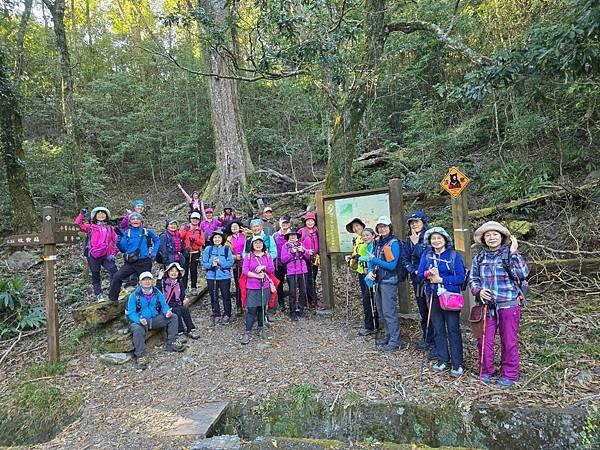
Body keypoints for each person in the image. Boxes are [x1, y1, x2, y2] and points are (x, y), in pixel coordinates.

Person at [470, 221, 529, 388]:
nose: (491, 237)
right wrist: (478, 291)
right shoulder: (479, 257)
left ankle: (509, 374)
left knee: (509, 340)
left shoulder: (510, 254)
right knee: (484, 340)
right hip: (487, 306)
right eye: (488, 235)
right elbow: (473, 278)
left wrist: (514, 252)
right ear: (483, 239)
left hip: (508, 303)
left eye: (495, 234)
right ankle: (486, 371)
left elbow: (523, 273)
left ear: (502, 237)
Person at [417, 226, 466, 377]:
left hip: (450, 296)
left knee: (453, 329)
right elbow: (419, 275)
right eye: (433, 238)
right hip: (433, 296)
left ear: (445, 239)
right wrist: (428, 274)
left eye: (439, 238)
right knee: (438, 328)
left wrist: (442, 279)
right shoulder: (427, 255)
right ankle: (442, 359)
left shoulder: (453, 255)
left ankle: (457, 363)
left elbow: (461, 277)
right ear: (429, 241)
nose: (436, 241)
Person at [127, 271, 185, 370]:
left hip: (155, 319)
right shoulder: (134, 295)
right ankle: (140, 356)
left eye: (149, 279)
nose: (147, 282)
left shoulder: (157, 292)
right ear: (140, 282)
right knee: (137, 329)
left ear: (152, 281)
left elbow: (164, 305)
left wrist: (167, 312)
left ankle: (171, 343)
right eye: (144, 280)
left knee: (173, 317)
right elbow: (131, 313)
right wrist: (138, 320)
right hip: (141, 321)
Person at [365, 216, 402, 352]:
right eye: (380, 226)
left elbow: (392, 265)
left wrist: (375, 260)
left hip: (389, 280)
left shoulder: (393, 243)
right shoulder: (377, 242)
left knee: (389, 311)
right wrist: (370, 271)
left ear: (389, 227)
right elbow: (371, 260)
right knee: (381, 310)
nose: (383, 229)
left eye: (385, 226)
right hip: (378, 280)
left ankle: (395, 340)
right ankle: (388, 335)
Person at [108, 212, 160, 304]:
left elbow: (157, 240)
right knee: (117, 277)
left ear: (141, 221)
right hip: (131, 262)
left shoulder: (146, 231)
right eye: (133, 219)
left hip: (144, 262)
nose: (135, 220)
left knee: (146, 282)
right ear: (130, 222)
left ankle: (149, 301)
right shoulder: (126, 233)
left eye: (137, 218)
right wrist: (119, 241)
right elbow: (123, 249)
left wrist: (154, 252)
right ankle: (112, 300)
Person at [401, 210, 434, 352]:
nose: (414, 225)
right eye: (411, 223)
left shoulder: (431, 237)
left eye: (417, 222)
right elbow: (405, 259)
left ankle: (437, 343)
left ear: (423, 222)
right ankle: (428, 339)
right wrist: (413, 270)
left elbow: (427, 257)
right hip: (417, 281)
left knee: (433, 311)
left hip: (431, 280)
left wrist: (416, 245)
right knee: (423, 311)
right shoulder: (409, 240)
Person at [74, 207, 118, 302]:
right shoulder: (90, 227)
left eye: (103, 213)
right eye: (99, 214)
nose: (101, 215)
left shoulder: (110, 228)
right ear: (95, 216)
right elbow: (78, 225)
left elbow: (116, 241)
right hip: (93, 255)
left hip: (106, 255)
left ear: (106, 216)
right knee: (95, 274)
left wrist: (113, 253)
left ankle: (113, 292)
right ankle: (99, 294)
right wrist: (82, 215)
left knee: (114, 271)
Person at [240, 236, 276, 343]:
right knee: (251, 309)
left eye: (260, 242)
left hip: (264, 286)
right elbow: (245, 271)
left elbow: (271, 269)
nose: (258, 244)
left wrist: (263, 267)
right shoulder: (249, 256)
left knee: (261, 308)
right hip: (252, 286)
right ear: (252, 245)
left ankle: (261, 328)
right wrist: (256, 276)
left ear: (263, 244)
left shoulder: (267, 256)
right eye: (256, 243)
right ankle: (247, 331)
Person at [344, 217, 375, 336]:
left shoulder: (370, 239)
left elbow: (371, 255)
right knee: (366, 298)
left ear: (362, 226)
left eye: (358, 226)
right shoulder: (357, 239)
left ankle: (371, 326)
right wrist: (352, 257)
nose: (356, 228)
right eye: (354, 227)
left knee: (369, 298)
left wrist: (359, 257)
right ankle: (370, 324)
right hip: (361, 271)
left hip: (370, 272)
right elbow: (356, 253)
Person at [156, 262, 200, 340]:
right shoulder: (163, 282)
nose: (174, 273)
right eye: (172, 271)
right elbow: (157, 292)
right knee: (177, 311)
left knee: (185, 309)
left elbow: (182, 294)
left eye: (176, 271)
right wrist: (159, 279)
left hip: (176, 303)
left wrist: (184, 299)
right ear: (168, 272)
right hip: (166, 305)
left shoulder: (179, 282)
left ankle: (191, 329)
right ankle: (180, 332)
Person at [203, 229, 234, 325]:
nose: (217, 239)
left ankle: (227, 313)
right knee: (214, 296)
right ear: (212, 239)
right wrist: (211, 264)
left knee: (226, 295)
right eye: (215, 237)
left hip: (224, 276)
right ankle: (216, 314)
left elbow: (230, 262)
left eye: (219, 237)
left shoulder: (226, 249)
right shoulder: (208, 249)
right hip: (211, 276)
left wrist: (221, 263)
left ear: (222, 239)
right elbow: (204, 263)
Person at [280, 227, 311, 321]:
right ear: (288, 237)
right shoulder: (285, 246)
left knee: (303, 291)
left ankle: (301, 309)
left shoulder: (301, 245)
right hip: (291, 271)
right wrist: (291, 253)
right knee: (292, 292)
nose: (293, 237)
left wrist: (304, 251)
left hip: (302, 270)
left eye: (294, 235)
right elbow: (283, 259)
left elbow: (308, 258)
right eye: (291, 235)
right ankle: (292, 311)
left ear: (297, 237)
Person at [299, 212, 323, 310]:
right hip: (305, 259)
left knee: (312, 279)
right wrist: (306, 252)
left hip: (315, 258)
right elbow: (298, 244)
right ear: (305, 221)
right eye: (308, 220)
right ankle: (313, 299)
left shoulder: (317, 230)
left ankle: (310, 299)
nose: (310, 222)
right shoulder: (302, 231)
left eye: (312, 220)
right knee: (308, 279)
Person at [179, 212, 206, 295]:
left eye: (196, 219)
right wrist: (186, 230)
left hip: (195, 253)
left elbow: (202, 242)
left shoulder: (199, 230)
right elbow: (179, 236)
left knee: (194, 270)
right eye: (193, 218)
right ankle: (184, 288)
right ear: (190, 219)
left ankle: (194, 287)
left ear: (199, 220)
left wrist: (195, 240)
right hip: (185, 252)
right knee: (185, 270)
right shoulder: (185, 227)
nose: (195, 220)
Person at [225, 219, 247, 315]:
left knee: (248, 284)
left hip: (247, 263)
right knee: (239, 284)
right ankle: (239, 305)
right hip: (236, 264)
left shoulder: (245, 235)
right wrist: (234, 257)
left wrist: (243, 229)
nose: (234, 228)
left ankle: (247, 304)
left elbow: (253, 232)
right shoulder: (228, 239)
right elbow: (226, 252)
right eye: (232, 227)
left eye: (236, 226)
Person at [272, 215, 292, 310]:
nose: (285, 225)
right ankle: (281, 303)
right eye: (283, 223)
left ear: (289, 224)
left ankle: (292, 303)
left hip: (290, 263)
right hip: (278, 263)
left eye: (286, 223)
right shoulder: (275, 235)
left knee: (291, 283)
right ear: (279, 224)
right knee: (279, 284)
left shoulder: (293, 234)